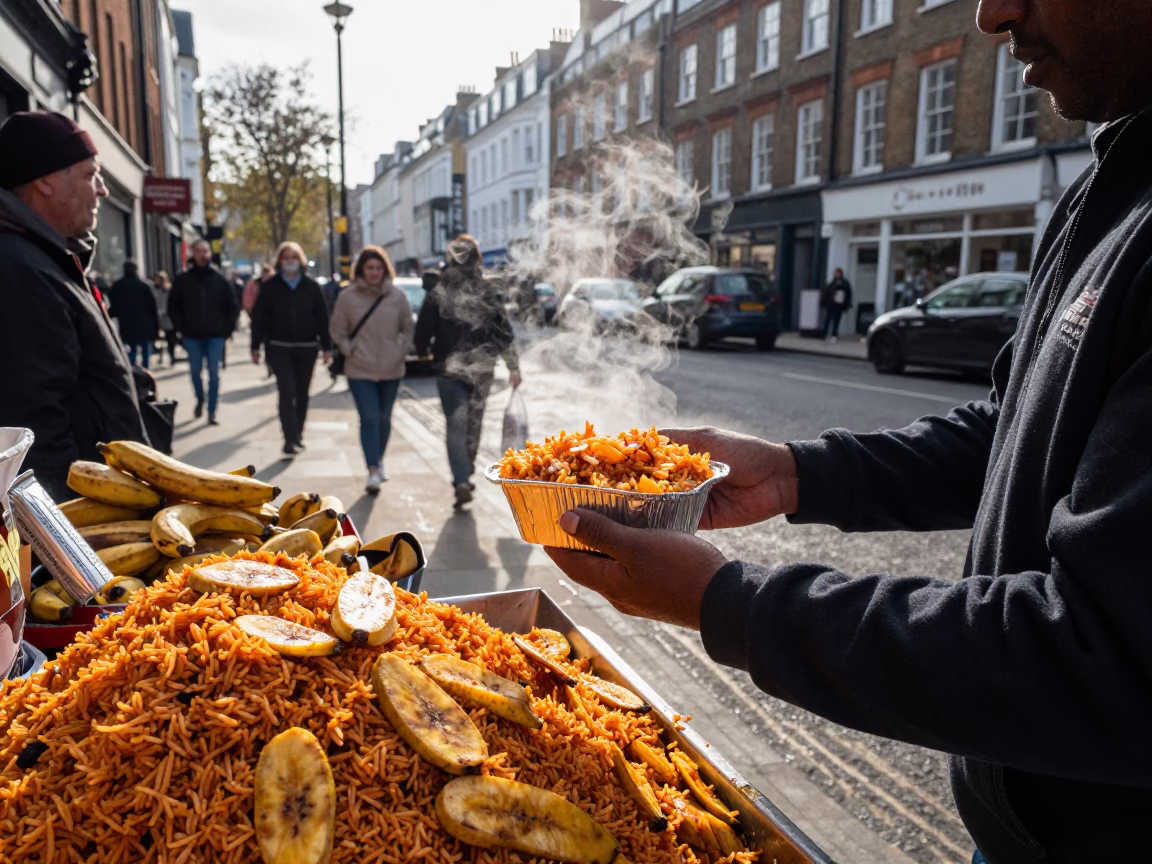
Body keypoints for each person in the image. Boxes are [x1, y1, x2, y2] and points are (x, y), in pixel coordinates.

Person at [545, 1, 1152, 861]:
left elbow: (1101, 657)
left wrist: (730, 602)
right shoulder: (1113, 182)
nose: (992, 14)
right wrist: (797, 473)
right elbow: (1011, 434)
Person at [0, 111, 148, 501]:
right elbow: (37, 428)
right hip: (85, 517)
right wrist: (74, 540)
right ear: (45, 180)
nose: (101, 190)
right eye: (89, 175)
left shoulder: (46, 257)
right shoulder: (22, 268)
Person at [414, 235, 520, 508]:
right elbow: (503, 332)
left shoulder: (440, 289)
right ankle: (466, 472)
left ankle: (461, 478)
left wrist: (425, 350)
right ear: (477, 258)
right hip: (482, 368)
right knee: (474, 424)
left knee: (456, 425)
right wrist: (513, 366)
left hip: (448, 370)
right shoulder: (487, 290)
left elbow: (422, 331)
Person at [330, 246, 413, 493]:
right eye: (370, 268)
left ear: (385, 269)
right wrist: (350, 350)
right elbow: (337, 330)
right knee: (369, 418)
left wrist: (400, 351)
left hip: (391, 369)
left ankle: (378, 459)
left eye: (378, 267)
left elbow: (408, 328)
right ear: (361, 270)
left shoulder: (396, 297)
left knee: (384, 419)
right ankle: (373, 470)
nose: (374, 272)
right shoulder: (348, 297)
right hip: (360, 369)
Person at [250, 242, 330, 456]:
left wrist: (327, 347)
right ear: (280, 261)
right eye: (286, 258)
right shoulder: (269, 287)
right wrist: (255, 346)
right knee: (287, 391)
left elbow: (322, 318)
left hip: (307, 347)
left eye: (294, 257)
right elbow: (259, 319)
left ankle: (298, 434)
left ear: (301, 260)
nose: (290, 262)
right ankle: (288, 438)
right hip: (279, 347)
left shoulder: (312, 287)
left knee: (302, 393)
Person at [168, 240, 238, 425]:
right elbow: (173, 306)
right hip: (192, 336)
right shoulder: (183, 280)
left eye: (205, 251)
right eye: (198, 251)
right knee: (195, 372)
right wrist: (181, 328)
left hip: (215, 336)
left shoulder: (220, 280)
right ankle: (200, 398)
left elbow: (232, 307)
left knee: (214, 373)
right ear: (193, 254)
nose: (202, 255)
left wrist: (226, 330)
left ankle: (212, 410)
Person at [108, 260, 159, 368]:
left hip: (127, 324)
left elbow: (114, 306)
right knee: (145, 351)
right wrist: (155, 328)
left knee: (131, 351)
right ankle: (145, 372)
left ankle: (133, 373)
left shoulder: (118, 286)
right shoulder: (144, 286)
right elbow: (152, 308)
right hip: (144, 324)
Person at [151, 270, 178, 366]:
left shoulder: (170, 290)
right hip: (158, 319)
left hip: (168, 318)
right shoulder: (154, 290)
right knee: (159, 340)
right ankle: (161, 356)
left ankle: (172, 356)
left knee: (170, 339)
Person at [819, 268, 852, 342]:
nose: (837, 275)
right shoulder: (832, 283)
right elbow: (827, 293)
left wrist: (847, 304)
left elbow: (848, 294)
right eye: (836, 273)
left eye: (838, 273)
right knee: (827, 319)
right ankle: (824, 334)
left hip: (839, 304)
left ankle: (834, 334)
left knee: (836, 320)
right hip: (831, 304)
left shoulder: (845, 283)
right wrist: (824, 302)